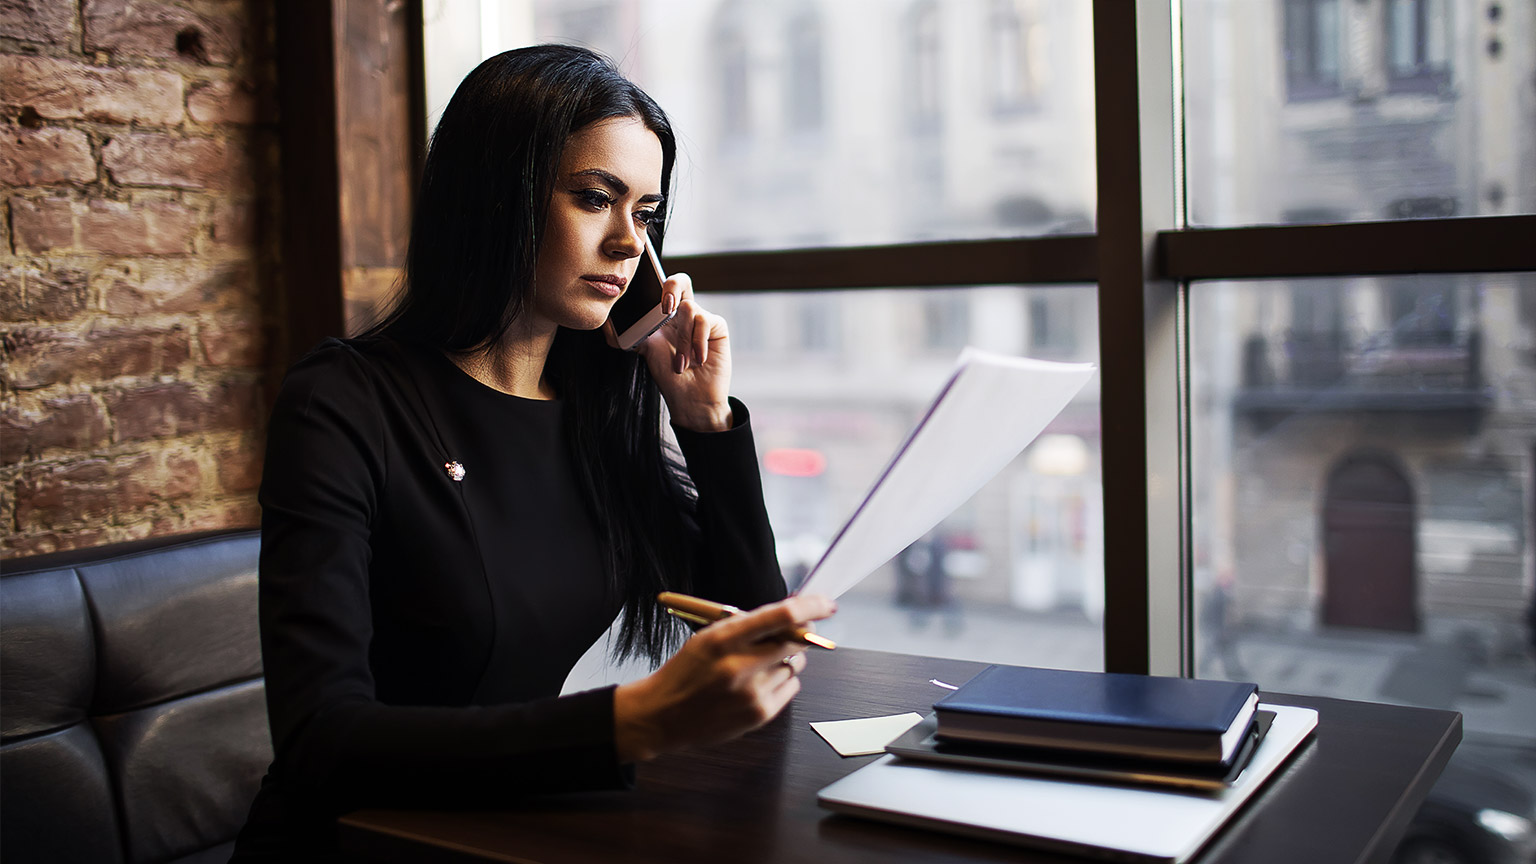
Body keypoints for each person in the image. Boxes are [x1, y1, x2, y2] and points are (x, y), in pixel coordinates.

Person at [231, 45, 834, 860]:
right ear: (496, 197)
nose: (628, 244)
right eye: (596, 199)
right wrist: (635, 720)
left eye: (646, 215)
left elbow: (752, 627)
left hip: (509, 832)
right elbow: (322, 742)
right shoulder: (345, 402)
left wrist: (705, 421)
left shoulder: (591, 418)